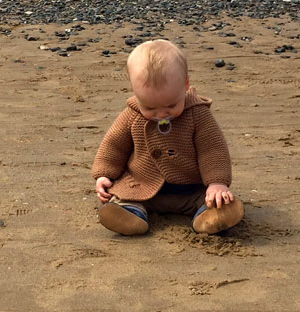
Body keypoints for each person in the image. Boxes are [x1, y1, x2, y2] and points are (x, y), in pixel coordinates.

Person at [91, 39, 244, 235]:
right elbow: (113, 145)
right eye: (150, 108)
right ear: (135, 93)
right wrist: (104, 174)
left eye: (171, 105)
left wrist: (217, 182)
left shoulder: (198, 114)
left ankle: (210, 217)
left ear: (185, 85)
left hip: (191, 189)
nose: (162, 114)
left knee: (216, 200)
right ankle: (129, 214)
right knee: (123, 197)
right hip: (142, 186)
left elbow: (212, 149)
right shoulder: (132, 114)